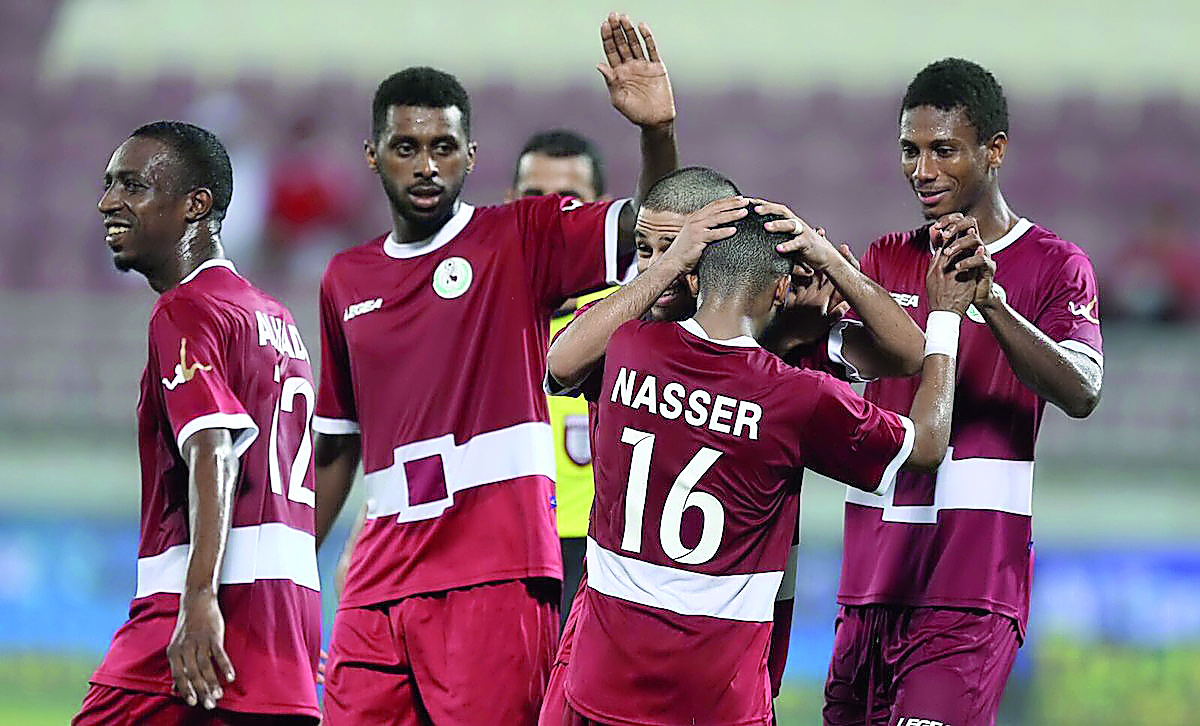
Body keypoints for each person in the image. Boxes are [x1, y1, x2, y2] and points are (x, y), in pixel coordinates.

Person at [312, 14, 678, 725]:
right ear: (372, 155)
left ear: (471, 156)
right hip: (377, 576)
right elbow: (336, 444)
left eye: (443, 147)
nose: (426, 165)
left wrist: (656, 134)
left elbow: (652, 233)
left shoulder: (518, 237)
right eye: (406, 147)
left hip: (497, 569)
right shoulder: (343, 279)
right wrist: (293, 572)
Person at [539, 166, 928, 726]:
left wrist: (820, 288)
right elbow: (562, 360)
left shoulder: (792, 340)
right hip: (618, 620)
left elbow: (903, 355)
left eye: (672, 247)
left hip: (742, 623)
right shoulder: (622, 327)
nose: (651, 265)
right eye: (643, 250)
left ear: (714, 255)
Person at [821, 58, 1105, 726]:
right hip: (871, 580)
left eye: (943, 151)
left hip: (971, 587)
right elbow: (843, 379)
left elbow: (1084, 388)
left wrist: (994, 306)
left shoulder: (1055, 265)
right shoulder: (887, 257)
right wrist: (815, 325)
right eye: (910, 152)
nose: (922, 171)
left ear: (994, 151)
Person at [75, 122, 320, 725]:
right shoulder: (274, 318)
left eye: (132, 185)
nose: (108, 203)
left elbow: (215, 444)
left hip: (196, 622)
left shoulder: (185, 310)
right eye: (109, 186)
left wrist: (200, 595)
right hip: (285, 627)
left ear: (196, 204)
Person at [507, 128, 616, 626]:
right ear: (509, 204)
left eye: (570, 201)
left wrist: (658, 133)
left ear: (606, 212)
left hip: (603, 550)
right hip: (502, 548)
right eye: (534, 199)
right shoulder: (482, 316)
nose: (550, 216)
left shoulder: (630, 318)